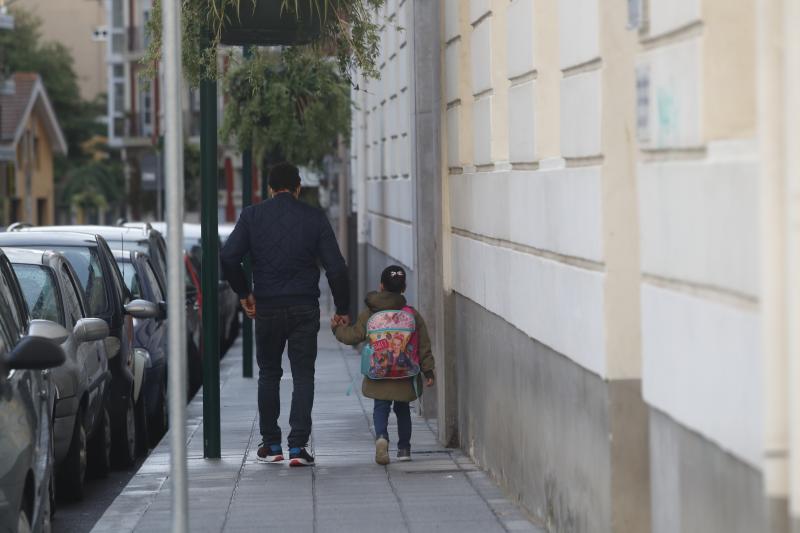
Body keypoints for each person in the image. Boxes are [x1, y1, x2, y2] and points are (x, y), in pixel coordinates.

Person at [221, 162, 350, 467]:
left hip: (266, 306)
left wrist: (244, 293)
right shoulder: (314, 217)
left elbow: (228, 256)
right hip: (305, 306)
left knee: (269, 373)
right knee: (303, 374)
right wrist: (342, 308)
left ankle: (272, 444)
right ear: (297, 188)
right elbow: (337, 267)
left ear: (269, 188)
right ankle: (298, 448)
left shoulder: (252, 216)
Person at [332, 265, 435, 465]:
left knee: (381, 406)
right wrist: (428, 369)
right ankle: (404, 448)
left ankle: (381, 437)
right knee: (403, 408)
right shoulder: (411, 314)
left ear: (381, 286)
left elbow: (354, 336)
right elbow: (423, 344)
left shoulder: (370, 314)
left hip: (378, 370)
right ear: (404, 287)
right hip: (405, 371)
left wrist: (337, 330)